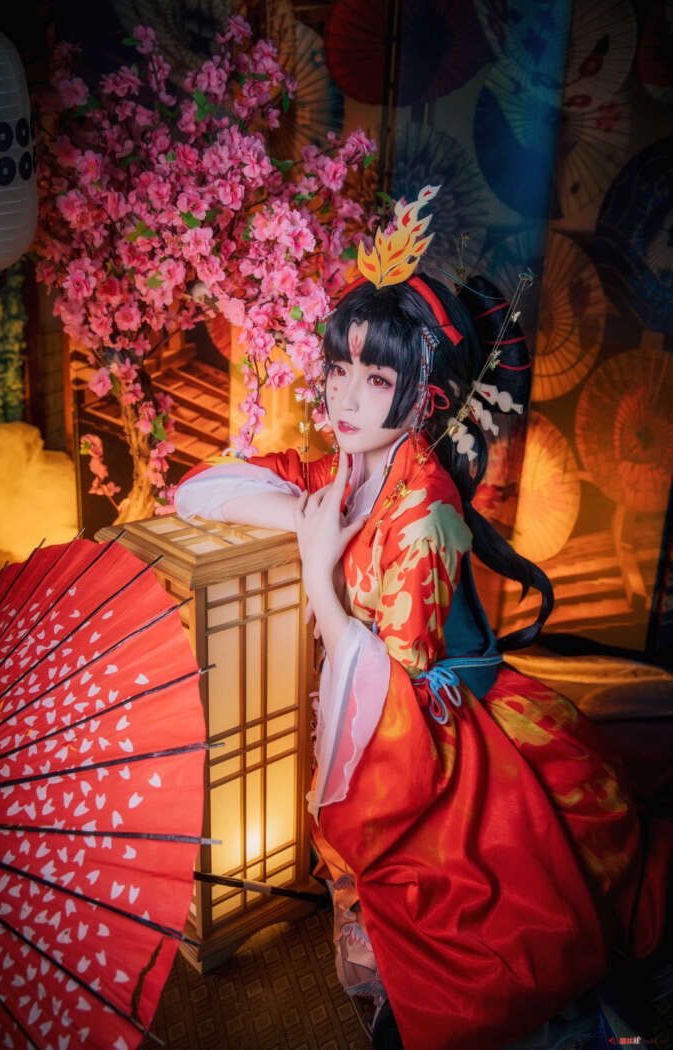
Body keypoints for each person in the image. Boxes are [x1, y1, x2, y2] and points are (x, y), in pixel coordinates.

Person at [174, 189, 670, 1050]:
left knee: (463, 930)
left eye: (376, 379)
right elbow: (203, 489)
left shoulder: (425, 509)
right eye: (339, 369)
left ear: (424, 397)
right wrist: (306, 517)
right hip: (376, 709)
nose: (346, 397)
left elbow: (399, 683)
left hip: (438, 728)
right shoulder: (348, 468)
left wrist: (321, 576)